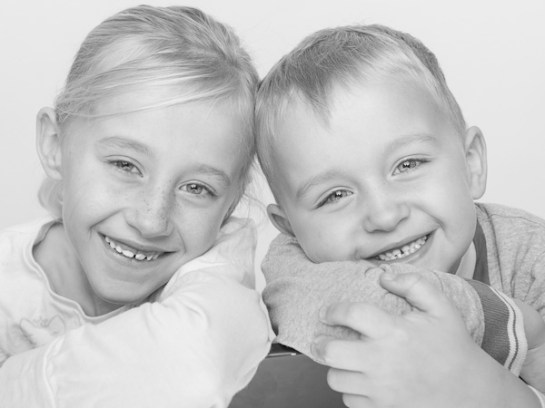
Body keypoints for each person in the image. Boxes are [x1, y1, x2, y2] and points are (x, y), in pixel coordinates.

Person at [254, 24, 545, 406]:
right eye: (335, 195)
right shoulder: (294, 267)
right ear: (290, 228)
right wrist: (509, 321)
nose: (384, 215)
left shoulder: (531, 256)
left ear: (471, 163)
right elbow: (345, 309)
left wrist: (487, 388)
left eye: (408, 165)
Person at [0, 5, 273, 407]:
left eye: (196, 188)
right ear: (55, 144)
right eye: (125, 166)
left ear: (232, 202)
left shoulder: (214, 282)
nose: (151, 220)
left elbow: (195, 363)